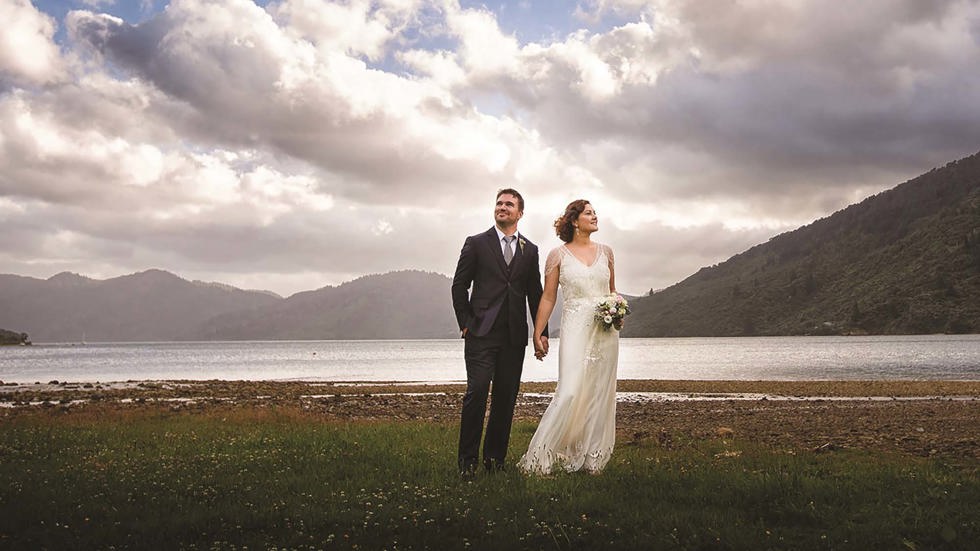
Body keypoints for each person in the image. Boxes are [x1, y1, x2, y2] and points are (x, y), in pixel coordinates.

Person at [451, 188, 548, 479]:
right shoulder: (476, 243)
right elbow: (459, 286)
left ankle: (495, 461)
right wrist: (466, 322)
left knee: (506, 398)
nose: (502, 207)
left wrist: (541, 331)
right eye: (499, 203)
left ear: (520, 213)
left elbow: (535, 292)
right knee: (477, 393)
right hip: (480, 332)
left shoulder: (529, 250)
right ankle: (467, 463)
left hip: (513, 335)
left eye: (509, 204)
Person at [518, 199, 620, 475]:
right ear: (575, 221)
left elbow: (612, 291)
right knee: (571, 390)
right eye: (589, 213)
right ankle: (542, 455)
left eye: (595, 212)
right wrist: (538, 331)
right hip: (575, 328)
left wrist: (617, 308)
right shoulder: (557, 255)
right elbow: (548, 297)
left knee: (599, 393)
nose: (595, 216)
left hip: (605, 331)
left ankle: (593, 458)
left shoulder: (607, 253)